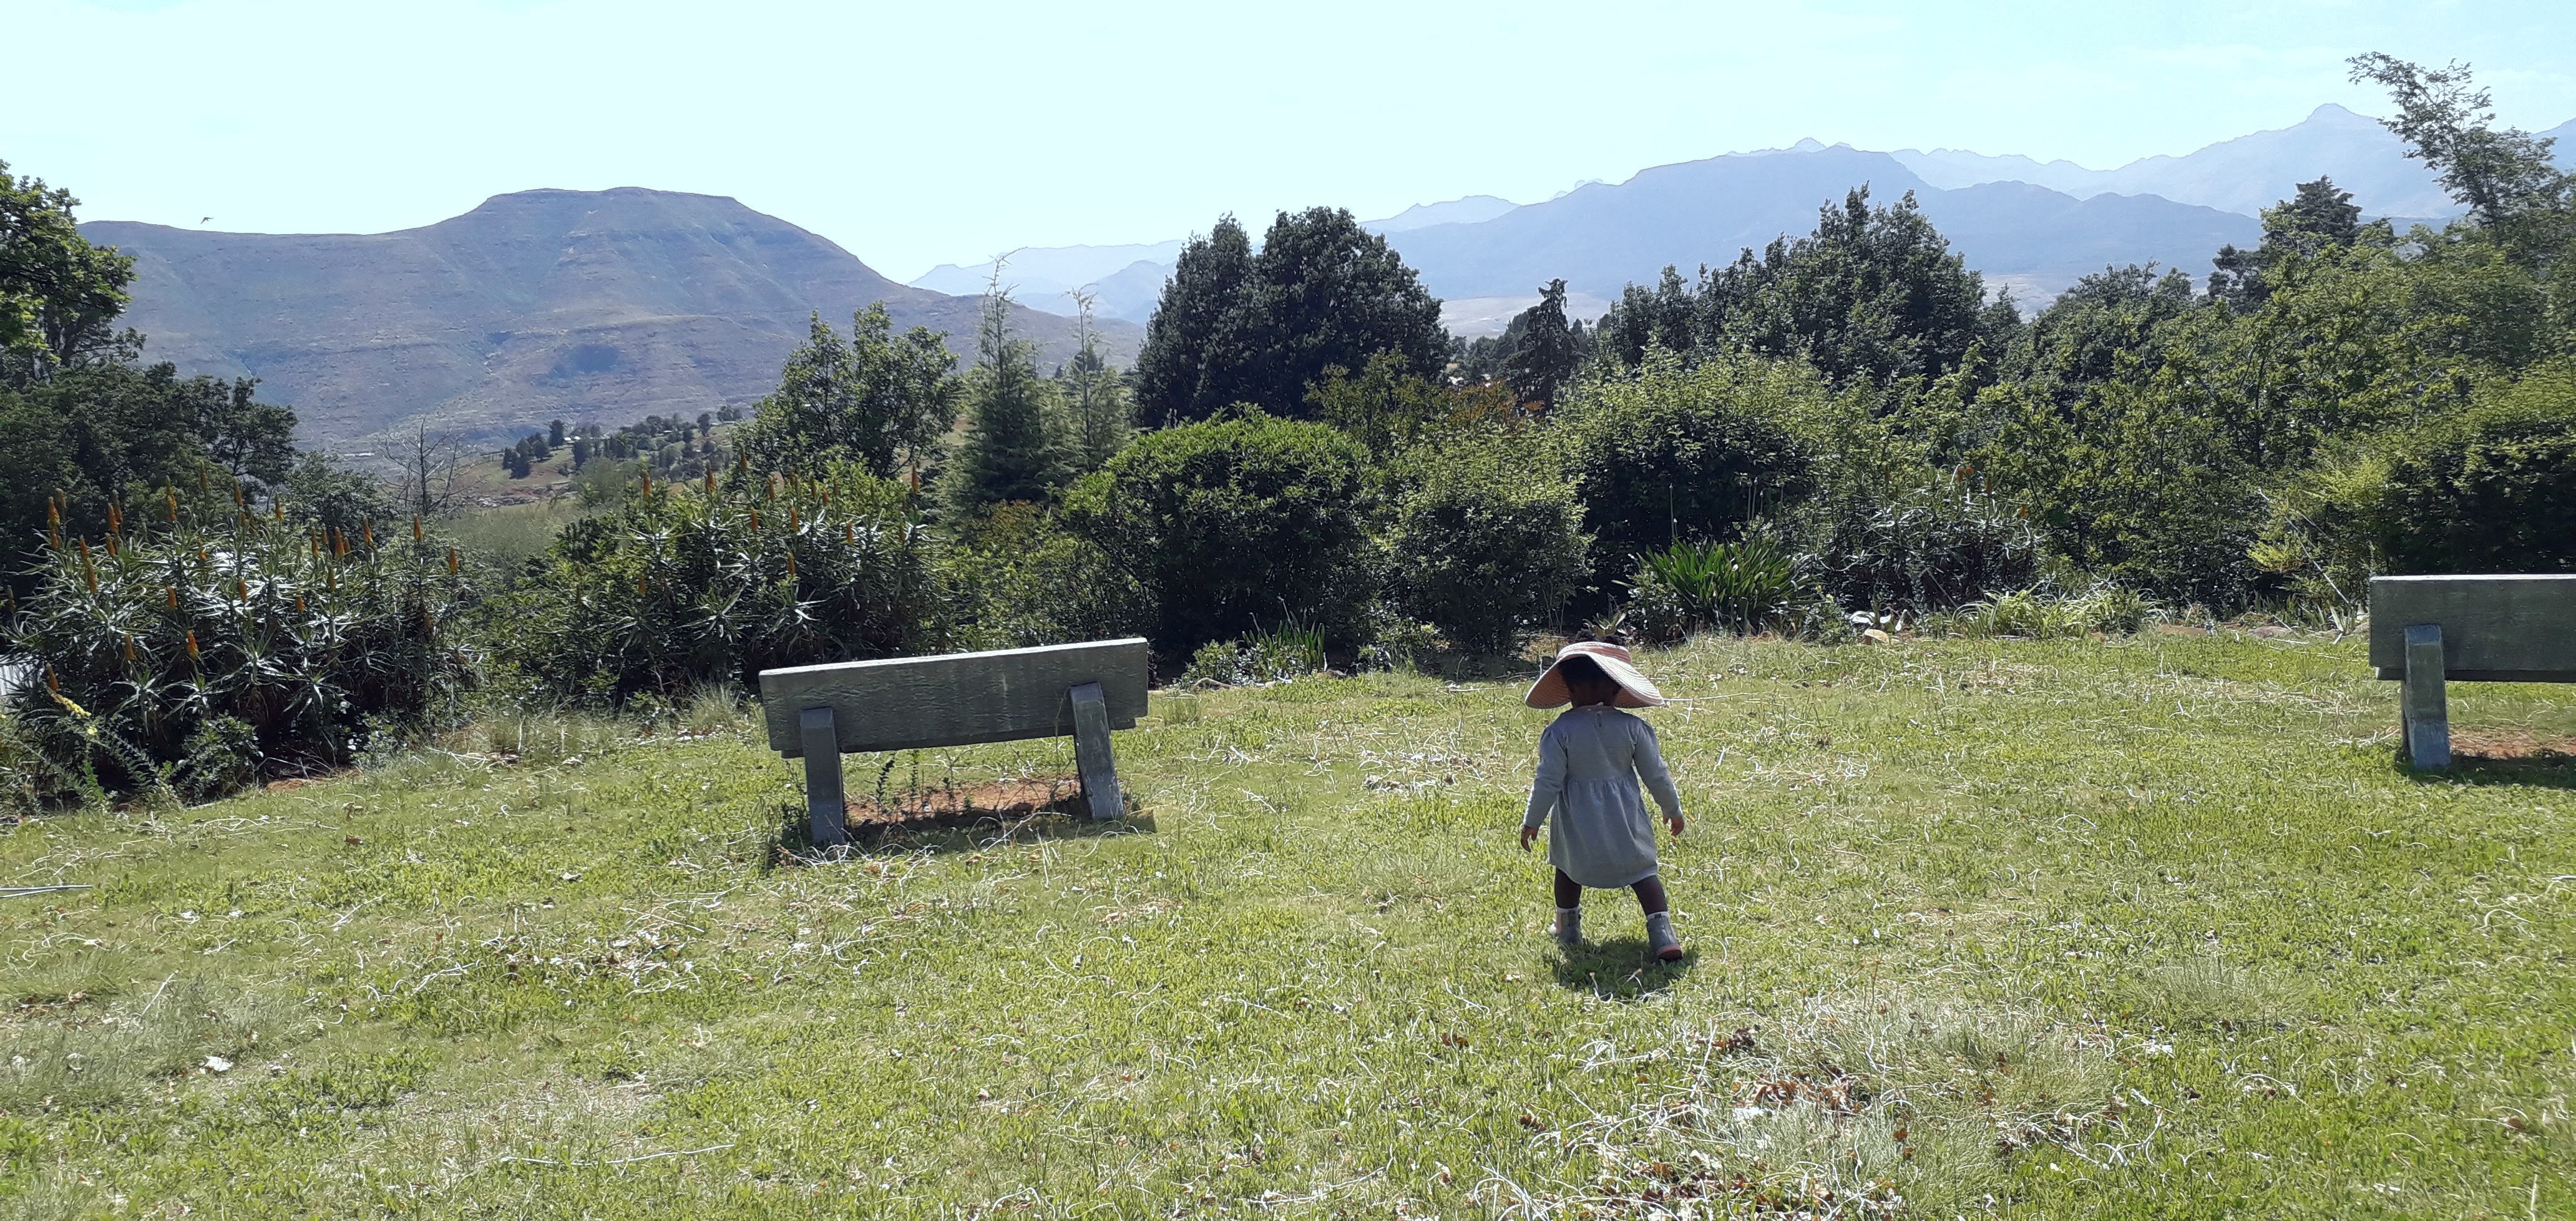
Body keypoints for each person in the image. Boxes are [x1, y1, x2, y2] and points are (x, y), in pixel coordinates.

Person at [1518, 641, 1686, 961]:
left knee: (1567, 869)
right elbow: (1657, 775)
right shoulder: (1634, 728)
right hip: (1625, 817)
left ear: (1569, 689)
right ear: (1618, 688)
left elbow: (1547, 782)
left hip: (1576, 821)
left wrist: (1532, 821)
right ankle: (1663, 933)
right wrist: (1672, 809)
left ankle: (1567, 929)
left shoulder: (1560, 731)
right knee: (1643, 872)